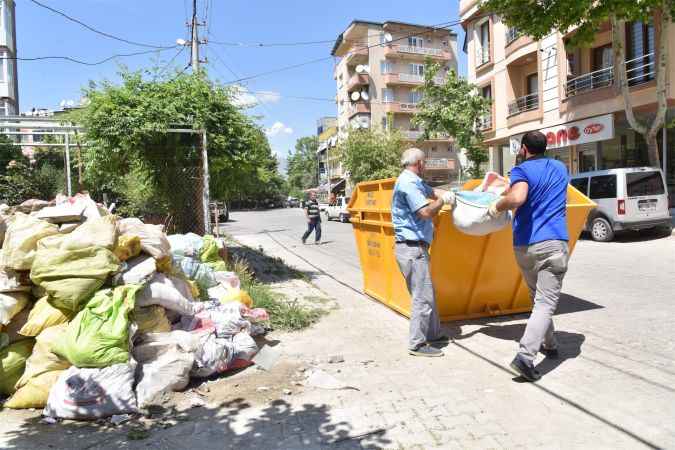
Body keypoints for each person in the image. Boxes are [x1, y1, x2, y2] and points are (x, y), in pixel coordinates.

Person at [489, 131, 570, 381]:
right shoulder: (560, 167)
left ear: (523, 149)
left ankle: (551, 344)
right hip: (553, 243)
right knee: (545, 302)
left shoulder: (522, 170)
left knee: (539, 300)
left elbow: (518, 197)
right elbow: (525, 195)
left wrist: (496, 205)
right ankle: (525, 356)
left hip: (525, 246)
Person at [392, 148, 454, 357]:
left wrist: (453, 194)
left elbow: (432, 192)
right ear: (419, 163)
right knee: (422, 297)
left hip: (415, 247)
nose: (425, 166)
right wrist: (443, 202)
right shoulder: (408, 184)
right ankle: (417, 344)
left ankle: (434, 334)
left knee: (429, 293)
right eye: (425, 162)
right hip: (412, 248)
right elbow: (426, 212)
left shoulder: (415, 182)